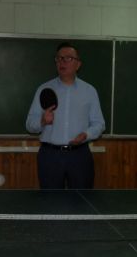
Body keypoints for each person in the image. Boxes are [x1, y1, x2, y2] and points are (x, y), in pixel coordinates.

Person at [26, 42, 105, 189]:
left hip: (80, 155)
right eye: (59, 58)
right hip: (50, 156)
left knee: (82, 199)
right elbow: (30, 124)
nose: (62, 62)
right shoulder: (44, 89)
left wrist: (86, 135)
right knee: (50, 201)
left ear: (78, 64)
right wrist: (42, 121)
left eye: (68, 58)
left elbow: (99, 124)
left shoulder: (89, 91)